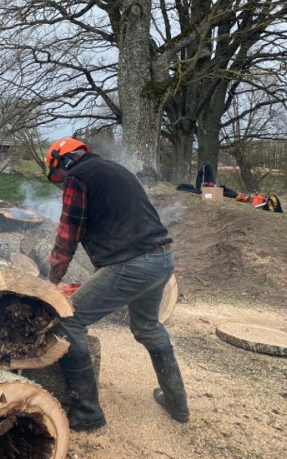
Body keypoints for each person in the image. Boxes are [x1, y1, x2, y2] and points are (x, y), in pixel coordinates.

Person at [43, 137, 189, 431]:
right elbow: (120, 225)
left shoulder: (78, 178)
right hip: (162, 259)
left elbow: (68, 233)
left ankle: (86, 412)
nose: (62, 183)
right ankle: (177, 403)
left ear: (62, 161)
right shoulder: (114, 170)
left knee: (69, 320)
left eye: (59, 177)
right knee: (148, 327)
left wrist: (51, 282)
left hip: (134, 264)